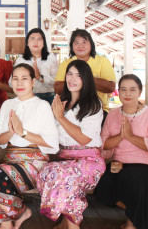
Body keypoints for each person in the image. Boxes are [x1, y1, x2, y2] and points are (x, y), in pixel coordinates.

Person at [0, 63, 59, 229]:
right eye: (15, 79)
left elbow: (52, 143)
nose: (19, 83)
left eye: (24, 79)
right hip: (11, 162)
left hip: (35, 163)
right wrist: (10, 132)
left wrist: (22, 132)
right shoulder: (8, 105)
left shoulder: (42, 106)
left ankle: (12, 219)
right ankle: (13, 218)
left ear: (33, 82)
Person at [37, 59, 105, 229]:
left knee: (63, 176)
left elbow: (84, 139)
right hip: (64, 160)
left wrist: (60, 117)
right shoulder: (60, 102)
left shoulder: (94, 105)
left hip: (89, 162)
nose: (72, 79)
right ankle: (68, 223)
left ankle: (71, 226)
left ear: (86, 79)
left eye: (78, 75)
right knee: (48, 171)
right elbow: (51, 134)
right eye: (69, 74)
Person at [95, 74, 148, 229]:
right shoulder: (113, 114)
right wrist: (121, 135)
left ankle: (132, 223)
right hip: (121, 165)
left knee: (134, 178)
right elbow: (104, 144)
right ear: (118, 92)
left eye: (132, 89)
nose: (127, 94)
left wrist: (130, 136)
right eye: (123, 89)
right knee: (102, 187)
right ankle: (139, 210)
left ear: (140, 92)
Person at [54, 29, 116, 123]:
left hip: (98, 110)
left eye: (84, 42)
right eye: (76, 43)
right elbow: (57, 89)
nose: (81, 46)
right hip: (70, 109)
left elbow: (110, 87)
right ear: (72, 46)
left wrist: (85, 75)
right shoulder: (66, 63)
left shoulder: (102, 61)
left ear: (91, 44)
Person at [14, 28, 58, 104]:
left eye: (39, 39)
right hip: (25, 98)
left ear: (43, 43)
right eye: (32, 39)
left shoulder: (51, 58)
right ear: (27, 43)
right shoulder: (20, 60)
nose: (35, 42)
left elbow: (57, 83)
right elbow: (11, 83)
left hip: (48, 98)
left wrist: (40, 77)